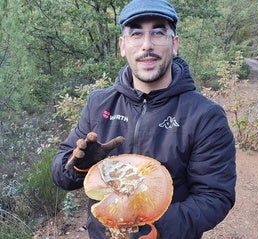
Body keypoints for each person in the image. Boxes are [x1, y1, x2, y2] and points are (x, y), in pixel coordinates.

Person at [52, 0, 236, 238]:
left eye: (158, 32)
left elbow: (215, 196)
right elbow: (60, 176)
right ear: (123, 45)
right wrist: (78, 167)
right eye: (136, 34)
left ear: (174, 43)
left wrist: (157, 227)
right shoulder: (99, 104)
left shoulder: (205, 116)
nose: (147, 45)